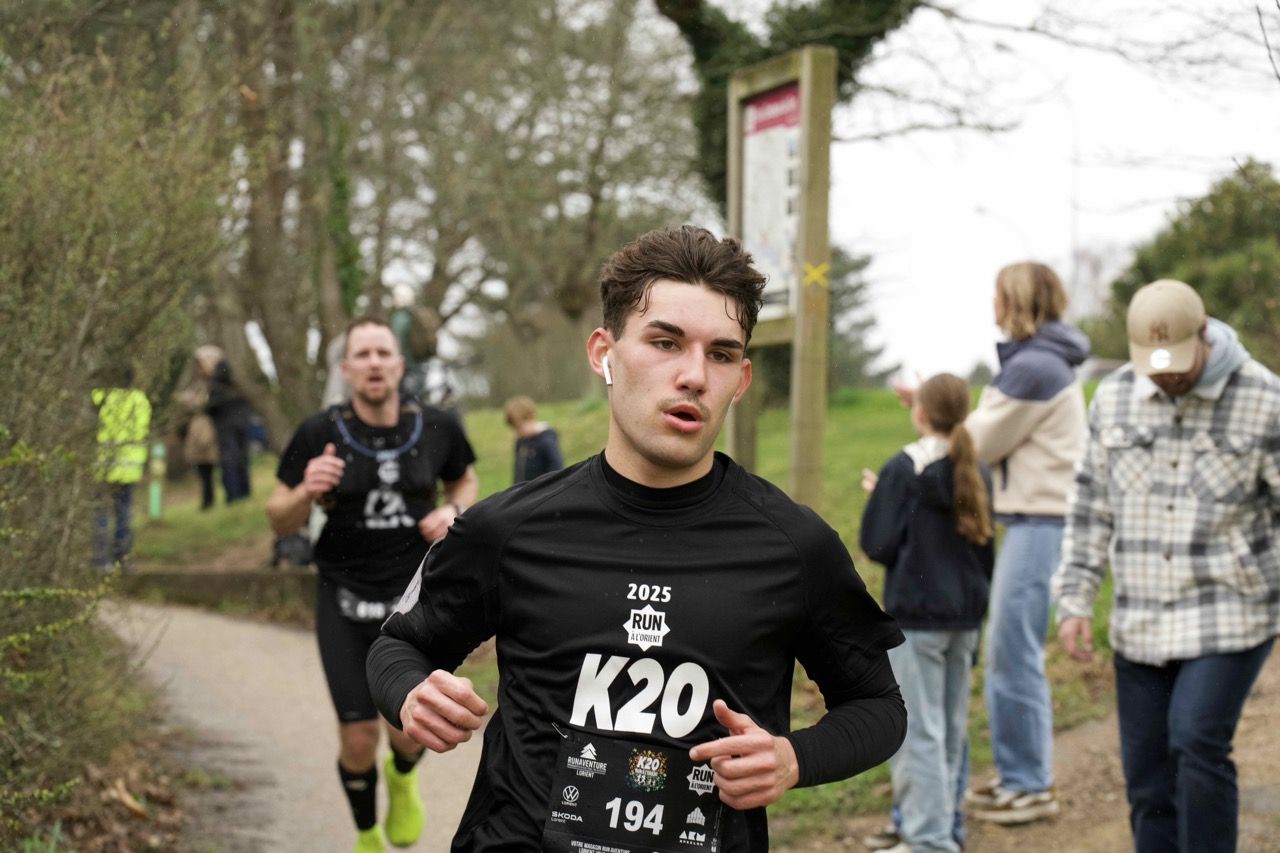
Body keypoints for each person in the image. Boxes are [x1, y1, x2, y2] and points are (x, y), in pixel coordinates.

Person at [366, 224, 907, 851]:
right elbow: (397, 646)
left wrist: (794, 758)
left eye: (721, 354)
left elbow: (879, 706)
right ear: (604, 352)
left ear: (741, 380)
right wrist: (412, 694)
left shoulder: (793, 545)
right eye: (665, 342)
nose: (694, 375)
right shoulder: (508, 528)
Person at [1053, 279, 1280, 853]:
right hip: (1142, 619)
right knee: (1148, 775)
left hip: (1231, 611)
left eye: (1178, 364)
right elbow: (1090, 506)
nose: (1167, 377)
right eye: (1154, 367)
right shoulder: (1113, 398)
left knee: (1196, 741)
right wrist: (1075, 598)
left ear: (1204, 335)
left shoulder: (1263, 399)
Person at [266, 316, 479, 853]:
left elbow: (464, 479)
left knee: (409, 732)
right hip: (342, 598)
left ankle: (402, 779)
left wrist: (454, 509)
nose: (374, 363)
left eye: (383, 353)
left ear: (399, 365)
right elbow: (277, 516)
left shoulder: (437, 426)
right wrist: (305, 491)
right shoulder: (318, 432)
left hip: (411, 606)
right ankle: (365, 834)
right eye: (362, 355)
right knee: (358, 738)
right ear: (346, 369)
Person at [898, 261, 1088, 825]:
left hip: (1039, 522)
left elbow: (975, 440)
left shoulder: (1032, 368)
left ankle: (1029, 782)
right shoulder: (1044, 362)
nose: (993, 305)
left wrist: (928, 418)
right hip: (1038, 520)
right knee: (1011, 652)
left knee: (1012, 654)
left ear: (1016, 301)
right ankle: (1020, 775)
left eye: (998, 295)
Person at [860, 373, 994, 853]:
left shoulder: (905, 468)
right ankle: (945, 830)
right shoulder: (975, 467)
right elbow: (983, 548)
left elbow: (877, 543)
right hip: (965, 619)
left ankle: (930, 842)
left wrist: (882, 497)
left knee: (918, 732)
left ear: (919, 412)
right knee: (950, 731)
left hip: (917, 620)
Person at [91, 369, 152, 572]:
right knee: (123, 515)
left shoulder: (99, 397)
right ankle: (122, 560)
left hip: (102, 468)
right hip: (129, 469)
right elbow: (143, 432)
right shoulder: (139, 400)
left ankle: (100, 561)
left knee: (100, 515)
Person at [205, 352, 254, 504]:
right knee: (242, 459)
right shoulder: (239, 387)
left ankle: (233, 495)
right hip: (241, 426)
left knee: (229, 461)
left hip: (225, 430)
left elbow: (209, 408)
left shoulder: (216, 388)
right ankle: (244, 492)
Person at [176, 346, 221, 510]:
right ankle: (206, 499)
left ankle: (211, 499)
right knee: (201, 465)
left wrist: (192, 402)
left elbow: (204, 403)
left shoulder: (214, 383)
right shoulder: (197, 383)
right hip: (197, 428)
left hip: (207, 428)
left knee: (208, 462)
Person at [502, 394, 565, 483]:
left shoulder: (546, 439)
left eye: (519, 428)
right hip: (525, 489)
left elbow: (556, 465)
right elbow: (518, 470)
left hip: (543, 488)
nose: (518, 432)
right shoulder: (520, 442)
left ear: (531, 418)